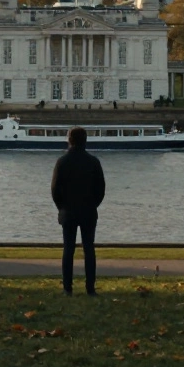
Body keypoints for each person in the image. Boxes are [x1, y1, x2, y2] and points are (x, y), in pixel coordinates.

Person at [51, 126, 106, 296]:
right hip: (88, 210)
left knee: (68, 249)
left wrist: (62, 208)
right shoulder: (94, 162)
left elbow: (55, 190)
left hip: (68, 210)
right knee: (89, 249)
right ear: (85, 141)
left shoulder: (62, 162)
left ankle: (67, 288)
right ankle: (90, 288)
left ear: (69, 140)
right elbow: (101, 189)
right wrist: (93, 205)